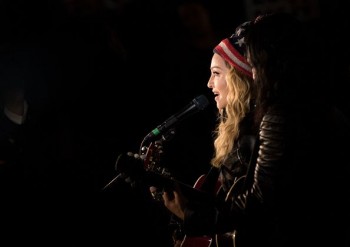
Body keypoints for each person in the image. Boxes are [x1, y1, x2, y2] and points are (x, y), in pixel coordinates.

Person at [150, 12, 350, 247]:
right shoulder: (318, 107)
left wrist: (194, 217)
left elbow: (261, 200)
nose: (252, 71)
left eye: (255, 61)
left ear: (271, 62)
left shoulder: (279, 116)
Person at [149, 20, 258, 247]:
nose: (209, 83)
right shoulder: (237, 132)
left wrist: (188, 214)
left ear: (238, 79)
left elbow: (248, 216)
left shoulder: (254, 137)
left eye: (216, 73)